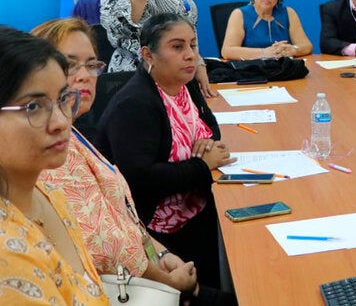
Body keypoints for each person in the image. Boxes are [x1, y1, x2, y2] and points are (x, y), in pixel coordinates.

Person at [33, 18, 226, 302]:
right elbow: (107, 246)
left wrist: (160, 253)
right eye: (70, 64)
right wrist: (169, 279)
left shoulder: (75, 135)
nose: (85, 75)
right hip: (132, 286)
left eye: (91, 65)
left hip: (154, 254)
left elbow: (123, 216)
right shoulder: (52, 154)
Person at [94, 13, 236, 294]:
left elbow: (211, 130)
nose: (190, 55)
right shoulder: (135, 105)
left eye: (193, 45)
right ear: (149, 54)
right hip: (157, 232)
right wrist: (201, 165)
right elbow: (141, 180)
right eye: (177, 47)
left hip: (196, 208)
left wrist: (208, 144)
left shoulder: (186, 85)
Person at [0, 26, 108, 304]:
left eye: (62, 100)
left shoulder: (50, 195)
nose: (62, 122)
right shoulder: (7, 259)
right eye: (33, 107)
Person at [221, 0, 313, 60]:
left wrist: (293, 50)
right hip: (251, 71)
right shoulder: (239, 14)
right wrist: (264, 53)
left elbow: (307, 46)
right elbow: (227, 51)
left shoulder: (289, 13)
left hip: (283, 71)